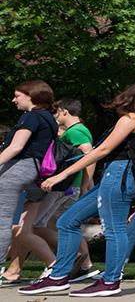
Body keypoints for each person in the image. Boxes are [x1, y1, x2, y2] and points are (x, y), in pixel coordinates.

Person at [20, 82, 135, 297]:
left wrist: (63, 174)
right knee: (67, 221)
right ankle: (58, 277)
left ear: (132, 95)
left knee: (114, 229)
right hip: (112, 175)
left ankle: (110, 281)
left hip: (119, 175)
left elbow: (102, 149)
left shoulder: (131, 118)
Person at [3, 98, 101, 284]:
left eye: (57, 113)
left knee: (34, 226)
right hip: (66, 185)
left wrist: (86, 183)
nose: (55, 117)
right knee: (55, 225)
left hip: (65, 186)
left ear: (64, 111)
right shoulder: (75, 131)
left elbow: (90, 154)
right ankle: (83, 264)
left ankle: (71, 260)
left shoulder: (77, 131)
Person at [0, 81, 57, 279]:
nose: (14, 100)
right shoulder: (49, 118)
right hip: (33, 171)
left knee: (2, 221)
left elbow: (16, 147)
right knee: (18, 225)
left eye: (17, 96)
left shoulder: (31, 116)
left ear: (31, 96)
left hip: (18, 169)